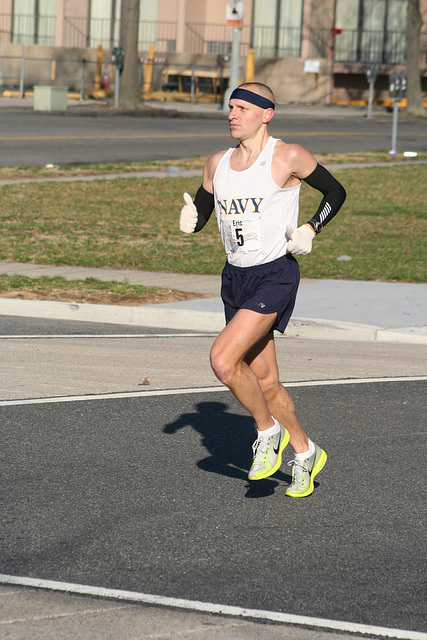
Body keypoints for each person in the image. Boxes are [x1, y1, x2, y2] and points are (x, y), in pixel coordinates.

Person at [179, 82, 346, 498]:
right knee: (266, 381)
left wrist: (311, 227)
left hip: (275, 275)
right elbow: (203, 209)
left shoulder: (287, 155)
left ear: (266, 113)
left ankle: (267, 432)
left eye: (241, 107)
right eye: (230, 107)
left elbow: (335, 191)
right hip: (235, 277)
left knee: (222, 359)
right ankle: (306, 452)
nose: (232, 114)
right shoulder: (216, 163)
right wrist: (190, 217)